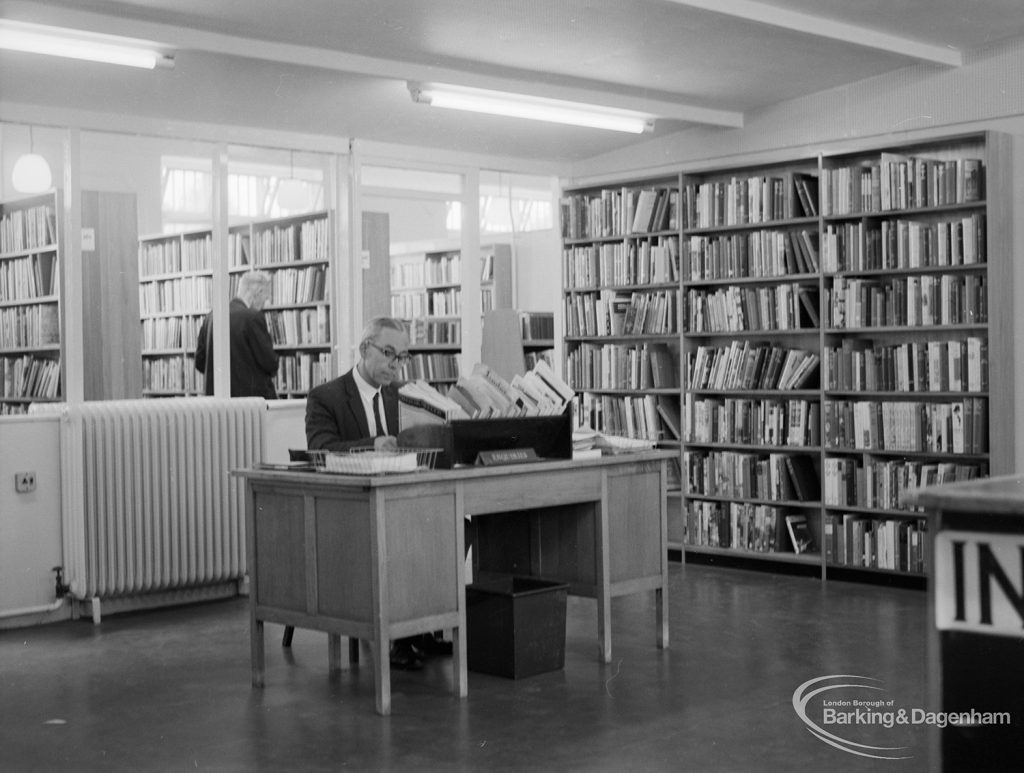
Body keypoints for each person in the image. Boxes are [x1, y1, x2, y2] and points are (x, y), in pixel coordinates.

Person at [305, 315, 452, 671]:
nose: (395, 365)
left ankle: (420, 628)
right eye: (388, 353)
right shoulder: (326, 397)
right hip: (354, 508)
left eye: (402, 357)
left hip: (402, 501)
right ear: (364, 349)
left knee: (452, 524)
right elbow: (321, 450)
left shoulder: (402, 395)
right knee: (404, 537)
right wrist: (374, 445)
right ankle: (401, 637)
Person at [194, 270, 278, 399]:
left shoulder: (211, 317)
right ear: (258, 292)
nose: (266, 303)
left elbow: (200, 363)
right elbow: (270, 364)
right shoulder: (253, 317)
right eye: (266, 297)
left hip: (217, 403)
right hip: (251, 405)